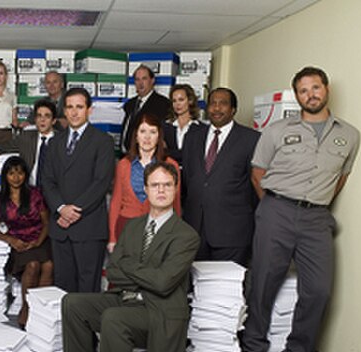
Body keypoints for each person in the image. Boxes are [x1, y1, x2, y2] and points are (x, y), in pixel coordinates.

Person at [48, 162, 199, 352]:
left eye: (167, 185)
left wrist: (130, 268)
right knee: (74, 304)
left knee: (114, 319)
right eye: (155, 185)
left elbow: (164, 283)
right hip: (126, 297)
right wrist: (139, 272)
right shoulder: (134, 226)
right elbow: (115, 270)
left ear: (176, 189)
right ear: (146, 189)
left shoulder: (186, 235)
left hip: (159, 312)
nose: (161, 190)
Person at [238, 67, 360, 352]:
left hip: (316, 219)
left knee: (318, 291)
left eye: (315, 88)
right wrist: (274, 208)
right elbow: (257, 173)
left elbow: (340, 178)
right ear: (297, 96)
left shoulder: (349, 135)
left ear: (326, 89)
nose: (311, 95)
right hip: (276, 211)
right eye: (303, 91)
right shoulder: (277, 130)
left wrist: (314, 205)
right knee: (263, 283)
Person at [41, 88, 115, 293]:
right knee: (62, 287)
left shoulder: (103, 141)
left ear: (89, 110)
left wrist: (74, 211)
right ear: (64, 110)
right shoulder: (54, 142)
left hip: (88, 227)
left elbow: (101, 182)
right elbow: (47, 181)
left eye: (79, 107)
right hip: (60, 228)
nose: (74, 112)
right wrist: (61, 208)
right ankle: (66, 326)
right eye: (70, 107)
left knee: (87, 288)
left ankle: (85, 327)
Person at [181, 87, 260, 267]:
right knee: (196, 288)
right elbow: (188, 179)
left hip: (233, 232)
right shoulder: (192, 137)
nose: (217, 108)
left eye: (223, 104)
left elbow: (255, 186)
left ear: (233, 109)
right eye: (213, 104)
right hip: (195, 230)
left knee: (226, 290)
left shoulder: (251, 139)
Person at [0, 156, 53, 329]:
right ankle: (26, 308)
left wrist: (38, 241)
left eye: (20, 173)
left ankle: (41, 312)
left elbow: (47, 223)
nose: (16, 178)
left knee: (48, 266)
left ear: (26, 175)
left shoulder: (35, 194)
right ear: (5, 176)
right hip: (18, 241)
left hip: (41, 238)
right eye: (11, 173)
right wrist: (11, 240)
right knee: (32, 265)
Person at [108, 113, 181, 253]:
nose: (147, 137)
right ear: (136, 136)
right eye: (143, 131)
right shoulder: (124, 165)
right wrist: (112, 238)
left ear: (159, 136)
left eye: (152, 132)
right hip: (126, 228)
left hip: (160, 230)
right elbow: (116, 202)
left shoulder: (171, 165)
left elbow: (176, 204)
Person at [2, 99, 58, 187]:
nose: (42, 120)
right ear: (35, 119)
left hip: (54, 191)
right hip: (30, 191)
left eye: (47, 116)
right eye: (39, 116)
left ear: (54, 121)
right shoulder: (26, 137)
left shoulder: (62, 140)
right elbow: (4, 146)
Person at [121, 65, 171, 153]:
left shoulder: (163, 103)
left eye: (144, 79)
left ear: (152, 81)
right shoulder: (130, 104)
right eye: (137, 79)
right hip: (127, 155)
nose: (140, 83)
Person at [163, 84, 203, 167]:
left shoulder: (201, 129)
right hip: (169, 173)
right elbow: (161, 153)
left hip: (192, 176)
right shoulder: (165, 127)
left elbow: (196, 157)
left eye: (181, 100)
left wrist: (171, 152)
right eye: (174, 101)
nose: (177, 104)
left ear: (190, 101)